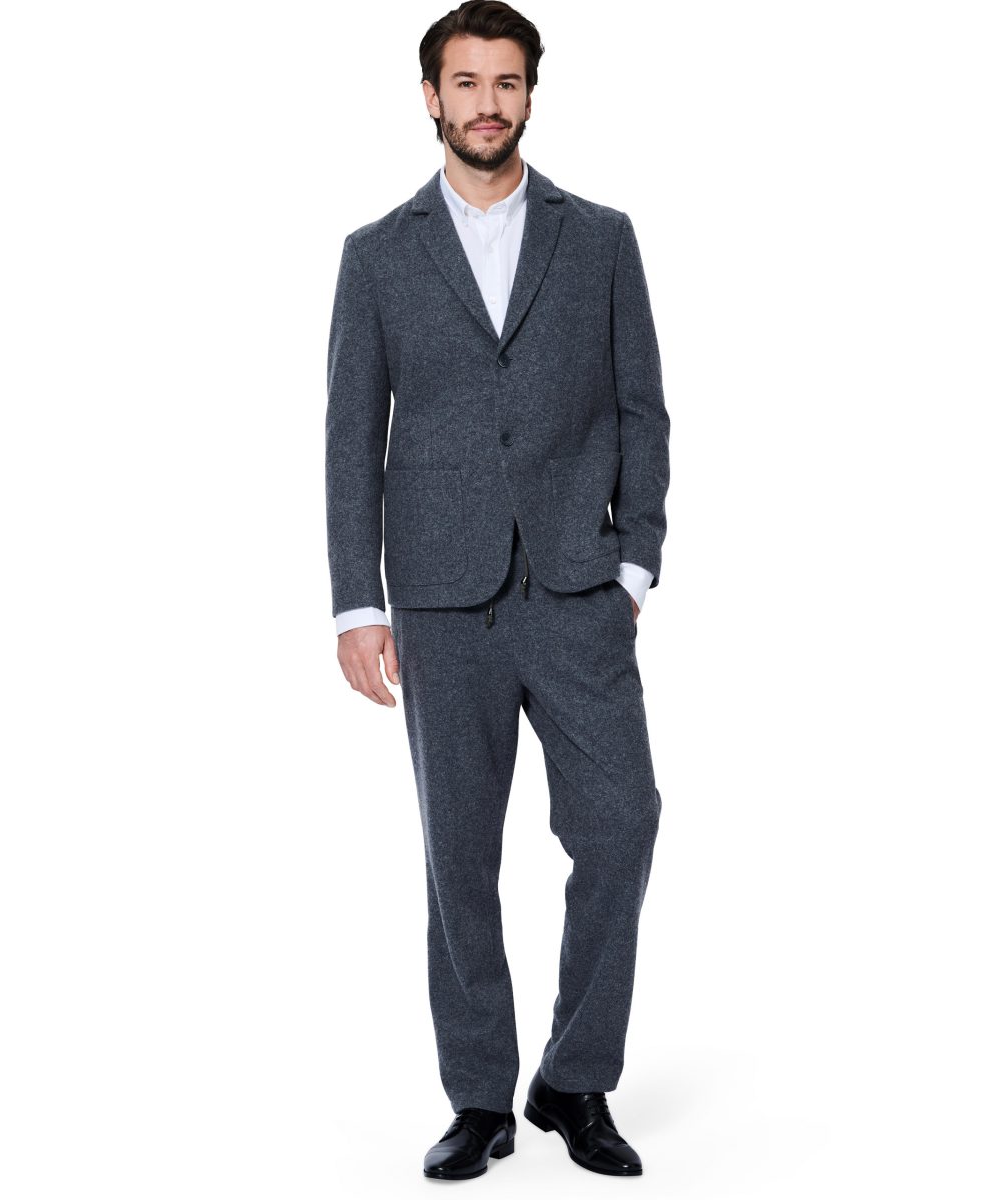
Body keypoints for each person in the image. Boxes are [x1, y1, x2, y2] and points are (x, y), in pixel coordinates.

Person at [325, 0, 670, 1180]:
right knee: (458, 857)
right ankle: (479, 1098)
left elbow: (643, 409)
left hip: (578, 591)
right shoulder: (378, 254)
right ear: (432, 97)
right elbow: (350, 437)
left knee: (622, 824)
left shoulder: (601, 238)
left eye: (506, 82)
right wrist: (357, 604)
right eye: (465, 83)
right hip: (439, 598)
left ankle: (574, 1079)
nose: (487, 103)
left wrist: (634, 563)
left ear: (530, 94)